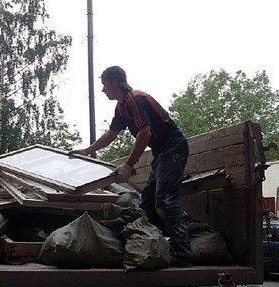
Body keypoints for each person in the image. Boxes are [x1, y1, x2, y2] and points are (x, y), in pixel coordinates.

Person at [70, 65, 193, 266]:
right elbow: (111, 134)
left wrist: (128, 165)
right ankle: (157, 245)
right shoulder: (121, 107)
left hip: (174, 148)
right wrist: (87, 150)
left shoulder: (135, 99)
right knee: (147, 202)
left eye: (105, 85)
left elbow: (145, 133)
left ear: (115, 83)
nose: (103, 90)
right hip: (161, 153)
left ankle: (183, 252)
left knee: (166, 202)